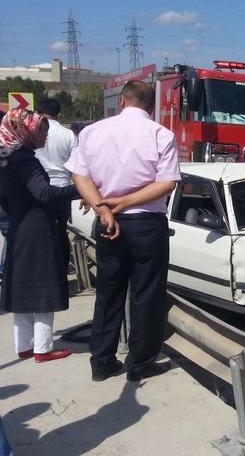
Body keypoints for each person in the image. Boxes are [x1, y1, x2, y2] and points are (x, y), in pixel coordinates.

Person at [65, 81, 181, 382]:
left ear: (121, 103)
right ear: (150, 106)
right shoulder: (161, 134)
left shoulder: (92, 132)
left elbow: (80, 175)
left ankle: (102, 361)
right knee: (146, 294)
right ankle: (140, 363)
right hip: (146, 223)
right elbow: (167, 183)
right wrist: (124, 202)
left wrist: (104, 209)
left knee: (108, 292)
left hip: (107, 223)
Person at [0, 109, 80, 362]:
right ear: (24, 130)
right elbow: (44, 193)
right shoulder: (26, 160)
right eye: (40, 130)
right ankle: (43, 348)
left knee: (21, 287)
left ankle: (24, 346)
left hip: (19, 228)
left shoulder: (7, 158)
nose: (45, 135)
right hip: (38, 231)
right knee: (44, 287)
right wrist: (80, 190)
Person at [35, 98, 77, 275]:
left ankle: (42, 271)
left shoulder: (33, 131)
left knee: (40, 232)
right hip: (63, 190)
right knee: (61, 232)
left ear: (38, 112)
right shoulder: (68, 135)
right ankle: (61, 270)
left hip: (37, 188)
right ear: (59, 114)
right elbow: (77, 167)